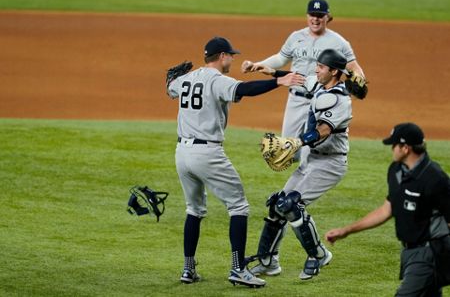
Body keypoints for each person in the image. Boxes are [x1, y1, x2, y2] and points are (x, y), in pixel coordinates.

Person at [166, 36, 302, 288]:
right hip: (207, 153)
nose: (232, 58)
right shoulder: (217, 80)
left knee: (193, 209)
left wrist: (171, 80)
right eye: (230, 55)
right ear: (221, 56)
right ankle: (238, 269)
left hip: (181, 153)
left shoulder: (185, 79)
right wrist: (278, 81)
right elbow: (244, 90)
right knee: (238, 206)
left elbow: (170, 87)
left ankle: (188, 269)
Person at [249, 49, 356, 280]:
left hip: (330, 163)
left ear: (334, 72)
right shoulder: (319, 84)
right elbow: (298, 77)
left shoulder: (340, 100)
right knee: (277, 203)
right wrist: (270, 70)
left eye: (321, 66)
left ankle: (318, 255)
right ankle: (268, 261)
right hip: (312, 159)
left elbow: (324, 130)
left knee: (291, 204)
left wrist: (297, 142)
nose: (316, 69)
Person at [325, 122, 450, 296]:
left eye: (394, 145)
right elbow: (387, 210)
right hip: (410, 252)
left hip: (430, 253)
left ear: (405, 148)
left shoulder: (434, 178)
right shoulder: (396, 171)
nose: (392, 149)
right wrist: (346, 231)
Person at [242, 0, 365, 144]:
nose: (315, 19)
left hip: (322, 100)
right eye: (312, 14)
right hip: (296, 98)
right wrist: (257, 65)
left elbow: (353, 66)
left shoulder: (339, 42)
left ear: (327, 17)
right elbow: (281, 58)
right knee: (288, 147)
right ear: (307, 16)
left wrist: (360, 80)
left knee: (313, 146)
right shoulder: (296, 37)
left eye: (319, 15)